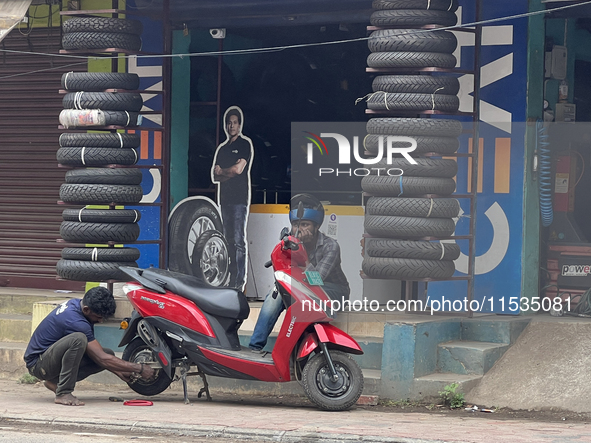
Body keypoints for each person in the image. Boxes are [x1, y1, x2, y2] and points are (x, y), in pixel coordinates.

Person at [249, 194, 350, 353]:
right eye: (296, 224)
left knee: (302, 299)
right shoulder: (291, 243)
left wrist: (303, 258)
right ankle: (254, 347)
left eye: (305, 224)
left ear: (316, 227)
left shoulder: (330, 246)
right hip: (304, 288)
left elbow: (316, 280)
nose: (299, 229)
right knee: (275, 293)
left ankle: (292, 351)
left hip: (333, 290)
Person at [24, 286, 155, 406]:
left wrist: (119, 371)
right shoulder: (76, 321)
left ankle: (55, 382)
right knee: (78, 340)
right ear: (87, 309)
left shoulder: (79, 305)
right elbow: (101, 358)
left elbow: (98, 356)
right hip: (38, 364)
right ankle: (63, 393)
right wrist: (140, 368)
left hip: (50, 358)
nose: (101, 321)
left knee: (107, 353)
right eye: (98, 317)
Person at [211, 107, 254, 290]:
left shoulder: (245, 144)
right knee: (227, 240)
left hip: (239, 200)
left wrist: (225, 171)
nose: (231, 126)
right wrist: (228, 172)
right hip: (225, 199)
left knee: (238, 240)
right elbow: (215, 176)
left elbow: (238, 170)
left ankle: (238, 282)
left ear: (239, 125)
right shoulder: (222, 149)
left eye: (234, 122)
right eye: (229, 122)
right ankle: (228, 278)